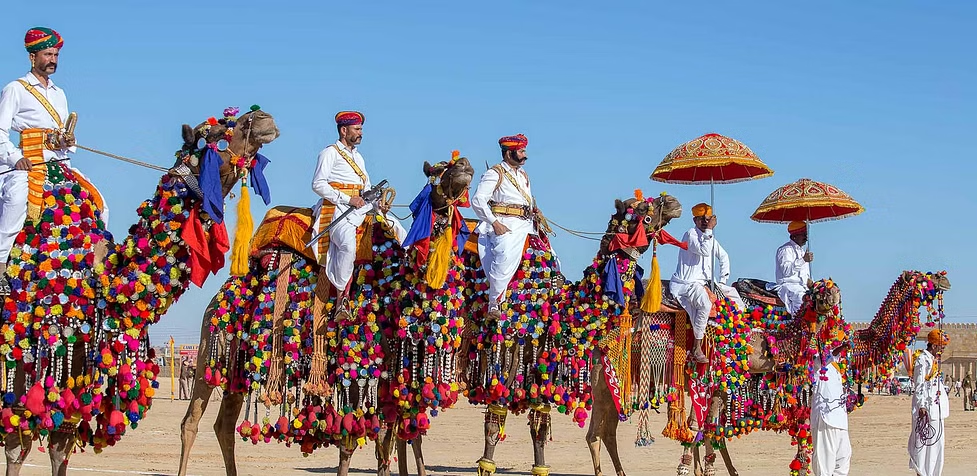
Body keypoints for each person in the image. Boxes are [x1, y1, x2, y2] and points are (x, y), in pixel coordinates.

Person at [0, 27, 93, 296]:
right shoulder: (16, 89)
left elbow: (63, 134)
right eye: (47, 54)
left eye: (55, 54)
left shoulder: (59, 93)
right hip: (26, 163)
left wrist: (66, 141)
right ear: (33, 57)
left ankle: (92, 269)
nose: (52, 59)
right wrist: (15, 158)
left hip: (58, 164)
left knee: (97, 203)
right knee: (17, 197)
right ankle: (1, 264)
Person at [309, 111, 402, 316]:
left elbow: (366, 188)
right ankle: (342, 298)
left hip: (361, 206)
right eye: (357, 129)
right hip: (338, 209)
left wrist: (379, 204)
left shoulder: (358, 157)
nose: (360, 133)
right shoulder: (330, 153)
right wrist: (347, 199)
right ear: (344, 130)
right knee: (348, 246)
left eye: (361, 129)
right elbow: (318, 184)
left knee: (396, 227)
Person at [471, 134, 552, 319]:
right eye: (521, 151)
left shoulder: (523, 175)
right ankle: (494, 304)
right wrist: (495, 223)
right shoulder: (495, 173)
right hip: (505, 224)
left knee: (550, 257)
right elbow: (478, 200)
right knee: (504, 255)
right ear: (509, 153)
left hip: (527, 225)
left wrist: (534, 212)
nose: (525, 155)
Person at [668, 203, 745, 363]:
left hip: (707, 282)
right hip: (687, 284)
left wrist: (723, 280)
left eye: (707, 219)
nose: (704, 222)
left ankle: (736, 340)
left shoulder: (710, 238)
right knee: (705, 304)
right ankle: (697, 347)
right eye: (701, 219)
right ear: (694, 220)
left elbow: (724, 257)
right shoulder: (691, 234)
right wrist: (709, 230)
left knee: (737, 300)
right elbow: (703, 250)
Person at [906, 329, 950, 476]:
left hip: (937, 409)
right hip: (926, 410)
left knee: (937, 445)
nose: (943, 348)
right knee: (924, 445)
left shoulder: (933, 359)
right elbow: (919, 385)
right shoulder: (922, 359)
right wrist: (922, 406)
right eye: (941, 345)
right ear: (934, 345)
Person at [811, 342, 852, 476]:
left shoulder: (837, 367)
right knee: (824, 465)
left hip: (840, 419)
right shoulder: (816, 358)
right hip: (825, 418)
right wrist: (841, 348)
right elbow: (825, 358)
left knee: (843, 459)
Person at [771, 220, 814, 315]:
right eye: (803, 234)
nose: (806, 237)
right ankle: (798, 326)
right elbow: (786, 271)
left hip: (804, 287)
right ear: (794, 236)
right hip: (789, 286)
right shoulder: (785, 250)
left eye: (806, 234)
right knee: (802, 299)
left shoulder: (803, 252)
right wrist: (803, 260)